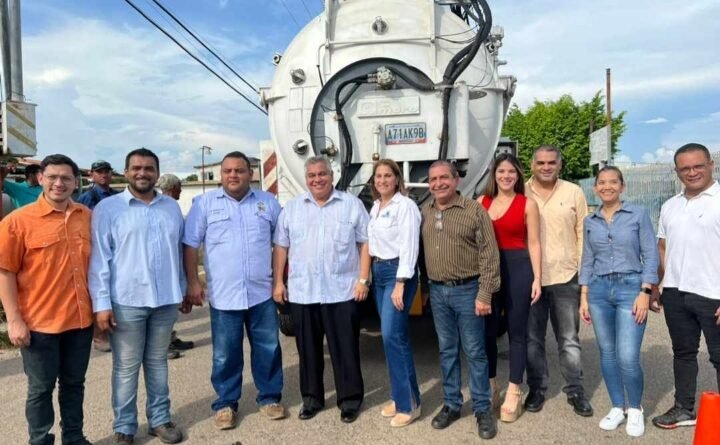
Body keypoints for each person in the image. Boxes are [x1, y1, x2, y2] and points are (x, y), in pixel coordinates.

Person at [89, 148, 186, 445]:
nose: (142, 173)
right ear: (126, 171)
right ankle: (125, 427)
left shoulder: (170, 207)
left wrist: (181, 289)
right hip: (126, 300)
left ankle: (159, 420)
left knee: (157, 362)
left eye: (148, 168)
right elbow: (99, 260)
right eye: (136, 168)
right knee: (126, 366)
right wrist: (102, 304)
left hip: (165, 300)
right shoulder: (108, 209)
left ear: (157, 172)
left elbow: (178, 252)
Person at [184, 151, 285, 430]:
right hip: (224, 295)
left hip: (261, 292)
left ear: (250, 174)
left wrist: (279, 280)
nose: (233, 175)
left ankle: (269, 398)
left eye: (239, 170)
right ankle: (226, 403)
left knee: (268, 347)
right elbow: (190, 244)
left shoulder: (268, 203)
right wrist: (193, 281)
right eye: (227, 171)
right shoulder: (204, 204)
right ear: (221, 174)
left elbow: (282, 243)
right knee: (226, 353)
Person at [0, 154, 93, 445]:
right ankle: (40, 440)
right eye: (52, 176)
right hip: (39, 324)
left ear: (75, 182)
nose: (59, 183)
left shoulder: (86, 217)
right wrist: (14, 320)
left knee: (74, 385)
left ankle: (74, 438)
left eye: (66, 178)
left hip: (79, 320)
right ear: (40, 178)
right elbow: (5, 272)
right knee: (40, 389)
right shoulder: (18, 221)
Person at [272, 156, 370, 424]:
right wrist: (279, 283)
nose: (317, 179)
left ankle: (349, 400)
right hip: (303, 292)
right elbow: (281, 246)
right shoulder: (292, 209)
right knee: (308, 351)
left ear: (332, 175)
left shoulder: (351, 205)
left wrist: (363, 280)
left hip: (341, 291)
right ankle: (311, 399)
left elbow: (365, 243)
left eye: (322, 174)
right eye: (312, 175)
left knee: (345, 349)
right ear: (306, 179)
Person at [421, 160, 501, 439]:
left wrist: (484, 294)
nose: (438, 183)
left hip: (469, 291)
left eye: (444, 178)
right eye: (433, 179)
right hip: (438, 291)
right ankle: (452, 404)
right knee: (447, 351)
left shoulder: (474, 211)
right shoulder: (425, 212)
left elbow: (489, 256)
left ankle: (482, 409)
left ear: (456, 180)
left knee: (475, 352)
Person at [578, 166, 659, 437]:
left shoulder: (638, 214)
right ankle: (617, 406)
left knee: (627, 355)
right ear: (596, 187)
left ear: (622, 186)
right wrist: (584, 296)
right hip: (599, 291)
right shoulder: (591, 221)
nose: (607, 186)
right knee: (608, 353)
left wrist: (645, 292)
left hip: (630, 289)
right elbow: (587, 260)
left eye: (613, 182)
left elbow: (650, 253)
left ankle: (635, 408)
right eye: (602, 182)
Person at [651, 143, 720, 429]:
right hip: (676, 293)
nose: (692, 172)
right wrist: (657, 285)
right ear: (677, 171)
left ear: (711, 164)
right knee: (683, 353)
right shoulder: (670, 205)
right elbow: (663, 248)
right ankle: (684, 408)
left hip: (713, 294)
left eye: (698, 166)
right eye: (685, 168)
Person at [524, 145, 592, 417]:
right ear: (532, 165)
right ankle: (537, 389)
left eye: (551, 162)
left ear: (559, 165)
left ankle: (575, 390)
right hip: (531, 279)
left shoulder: (573, 192)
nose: (546, 167)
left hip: (565, 277)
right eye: (540, 162)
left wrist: (581, 273)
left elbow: (583, 235)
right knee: (533, 339)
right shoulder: (521, 191)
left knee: (568, 339)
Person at [477, 154, 541, 423]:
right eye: (501, 171)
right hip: (489, 271)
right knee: (487, 333)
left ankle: (515, 389)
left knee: (517, 333)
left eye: (511, 172)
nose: (506, 176)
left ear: (518, 176)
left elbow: (535, 243)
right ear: (494, 174)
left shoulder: (528, 204)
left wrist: (537, 279)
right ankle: (492, 386)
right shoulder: (481, 202)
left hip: (518, 269)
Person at [361, 159, 422, 427]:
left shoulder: (405, 206)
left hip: (399, 273)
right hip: (380, 273)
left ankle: (408, 405)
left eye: (388, 175)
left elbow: (410, 246)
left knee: (391, 337)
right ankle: (403, 398)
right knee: (394, 339)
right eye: (378, 176)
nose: (382, 180)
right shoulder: (376, 207)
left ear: (397, 180)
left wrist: (401, 281)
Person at [157, 173, 194, 359]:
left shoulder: (172, 206)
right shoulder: (162, 206)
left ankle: (170, 337)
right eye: (179, 187)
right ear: (173, 188)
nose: (181, 190)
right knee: (166, 307)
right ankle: (162, 345)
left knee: (172, 306)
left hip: (175, 263)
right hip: (165, 266)